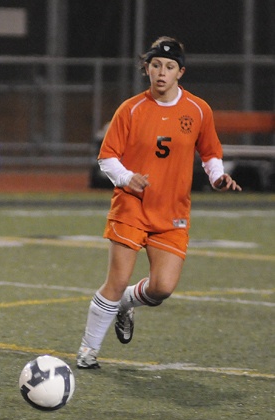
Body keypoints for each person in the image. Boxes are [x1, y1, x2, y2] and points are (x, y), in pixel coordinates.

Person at [76, 36, 241, 370]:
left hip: (172, 211)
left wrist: (217, 176)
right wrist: (126, 178)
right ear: (146, 68)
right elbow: (107, 158)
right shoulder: (131, 109)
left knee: (162, 288)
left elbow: (209, 152)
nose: (161, 73)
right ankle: (87, 351)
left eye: (169, 67)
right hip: (132, 205)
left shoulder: (198, 110)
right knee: (117, 279)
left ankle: (125, 304)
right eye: (155, 65)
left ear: (181, 72)